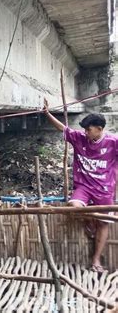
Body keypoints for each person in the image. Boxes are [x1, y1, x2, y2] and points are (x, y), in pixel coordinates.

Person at [43, 98, 116, 272]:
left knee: (104, 224)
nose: (85, 132)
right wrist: (47, 113)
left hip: (105, 190)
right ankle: (90, 218)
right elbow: (63, 128)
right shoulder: (80, 138)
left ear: (99, 129)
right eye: (84, 129)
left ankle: (96, 260)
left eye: (88, 129)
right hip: (83, 187)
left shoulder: (113, 142)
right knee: (74, 206)